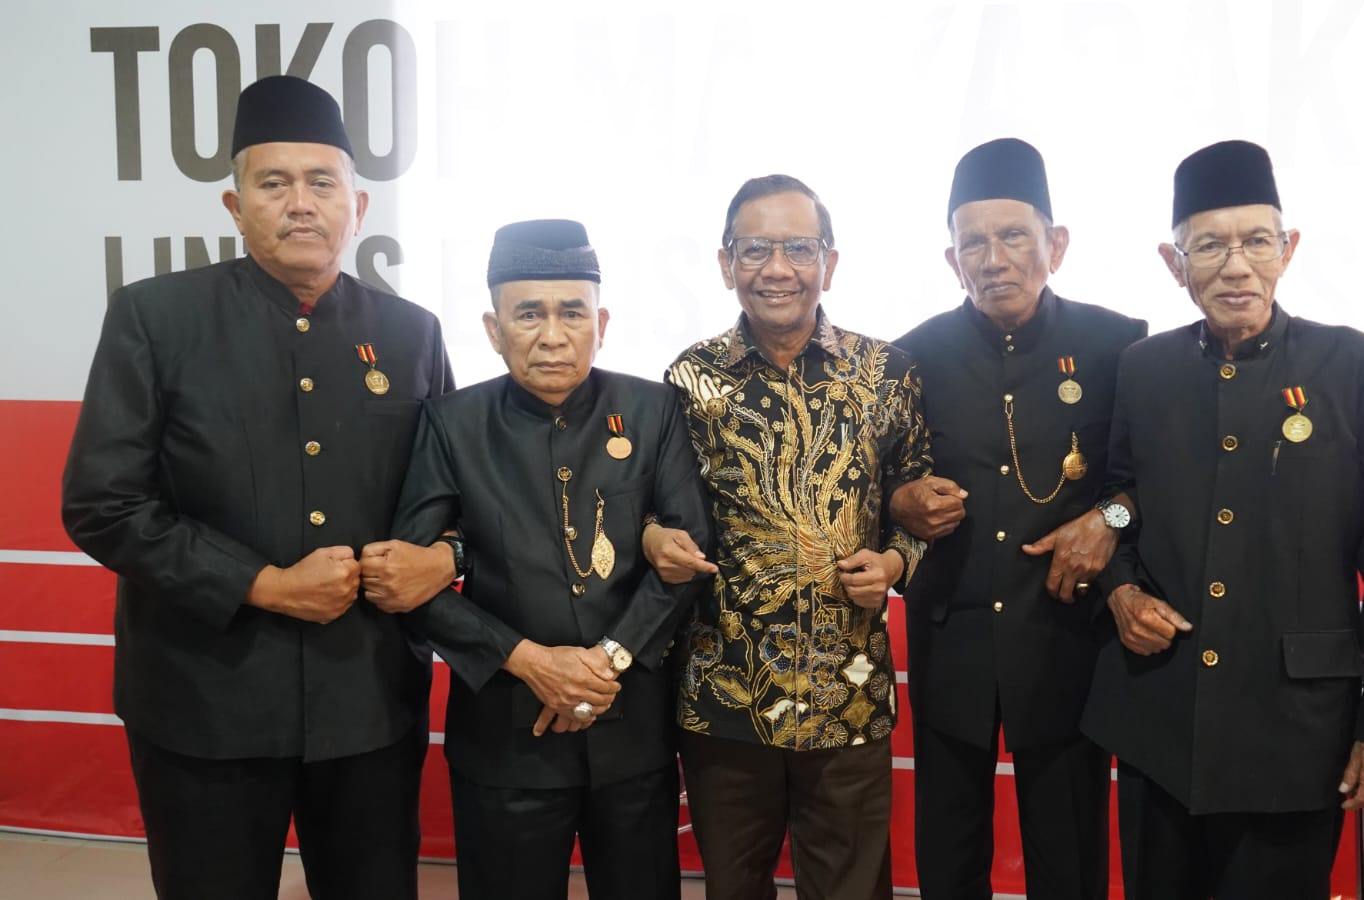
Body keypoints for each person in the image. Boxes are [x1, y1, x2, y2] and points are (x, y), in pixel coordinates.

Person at [60, 75, 456, 900]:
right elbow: (103, 502)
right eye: (274, 183)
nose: (301, 203)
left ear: (358, 206)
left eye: (322, 183)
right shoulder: (155, 318)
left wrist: (444, 555)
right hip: (204, 701)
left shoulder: (411, 333)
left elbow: (454, 494)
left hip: (367, 700)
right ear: (236, 208)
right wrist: (263, 584)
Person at [1080, 140, 1364, 899]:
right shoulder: (1145, 369)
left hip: (1295, 730)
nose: (1235, 267)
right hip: (1161, 715)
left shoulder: (1357, 368)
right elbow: (1118, 500)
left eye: (1256, 242)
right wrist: (1119, 589)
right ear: (1175, 264)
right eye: (1209, 246)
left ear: (1288, 249)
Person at [385, 219, 712, 900]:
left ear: (602, 323)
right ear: (493, 328)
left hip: (631, 732)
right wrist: (533, 662)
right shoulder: (452, 424)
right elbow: (412, 583)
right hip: (507, 741)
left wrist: (605, 663)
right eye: (529, 314)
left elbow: (686, 554)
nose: (553, 335)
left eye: (573, 313)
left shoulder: (653, 410)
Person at [646, 174, 934, 900]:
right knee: (733, 887)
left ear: (828, 263)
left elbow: (920, 506)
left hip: (849, 696)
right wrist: (653, 536)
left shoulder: (887, 375)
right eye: (755, 249)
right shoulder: (689, 380)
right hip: (725, 697)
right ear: (726, 264)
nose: (777, 269)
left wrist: (895, 561)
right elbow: (652, 505)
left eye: (799, 249)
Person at [889, 137, 1147, 900]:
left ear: (1055, 245)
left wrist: (1111, 517)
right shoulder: (908, 359)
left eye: (1013, 236)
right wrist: (899, 501)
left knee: (1069, 865)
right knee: (949, 862)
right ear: (952, 259)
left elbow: (1148, 482)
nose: (994, 259)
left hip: (1064, 643)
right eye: (974, 243)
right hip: (952, 647)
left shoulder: (1119, 346)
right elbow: (874, 485)